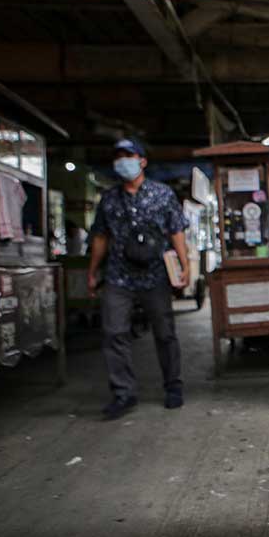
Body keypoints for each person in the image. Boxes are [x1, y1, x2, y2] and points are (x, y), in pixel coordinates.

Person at [88, 139, 190, 420]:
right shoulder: (109, 199)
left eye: (129, 156)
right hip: (118, 276)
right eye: (118, 157)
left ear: (142, 160)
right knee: (113, 332)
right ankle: (123, 393)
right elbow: (100, 237)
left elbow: (176, 231)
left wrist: (185, 265)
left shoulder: (162, 194)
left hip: (155, 274)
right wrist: (93, 270)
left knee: (165, 333)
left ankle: (173, 386)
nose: (123, 161)